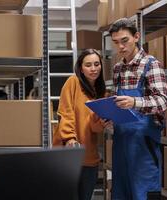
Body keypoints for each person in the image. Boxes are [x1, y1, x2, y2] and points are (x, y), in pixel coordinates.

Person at [109, 18, 167, 199]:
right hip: (121, 144)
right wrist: (109, 116)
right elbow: (119, 103)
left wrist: (135, 102)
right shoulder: (118, 68)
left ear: (136, 37)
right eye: (116, 42)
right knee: (121, 193)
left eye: (124, 40)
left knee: (144, 194)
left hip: (144, 146)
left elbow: (163, 101)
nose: (120, 47)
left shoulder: (152, 64)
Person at [53, 49, 110, 200]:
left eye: (97, 64)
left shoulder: (102, 92)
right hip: (68, 153)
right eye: (88, 65)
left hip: (89, 156)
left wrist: (103, 123)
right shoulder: (73, 82)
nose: (93, 68)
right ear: (81, 68)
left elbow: (94, 127)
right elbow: (65, 113)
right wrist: (70, 138)